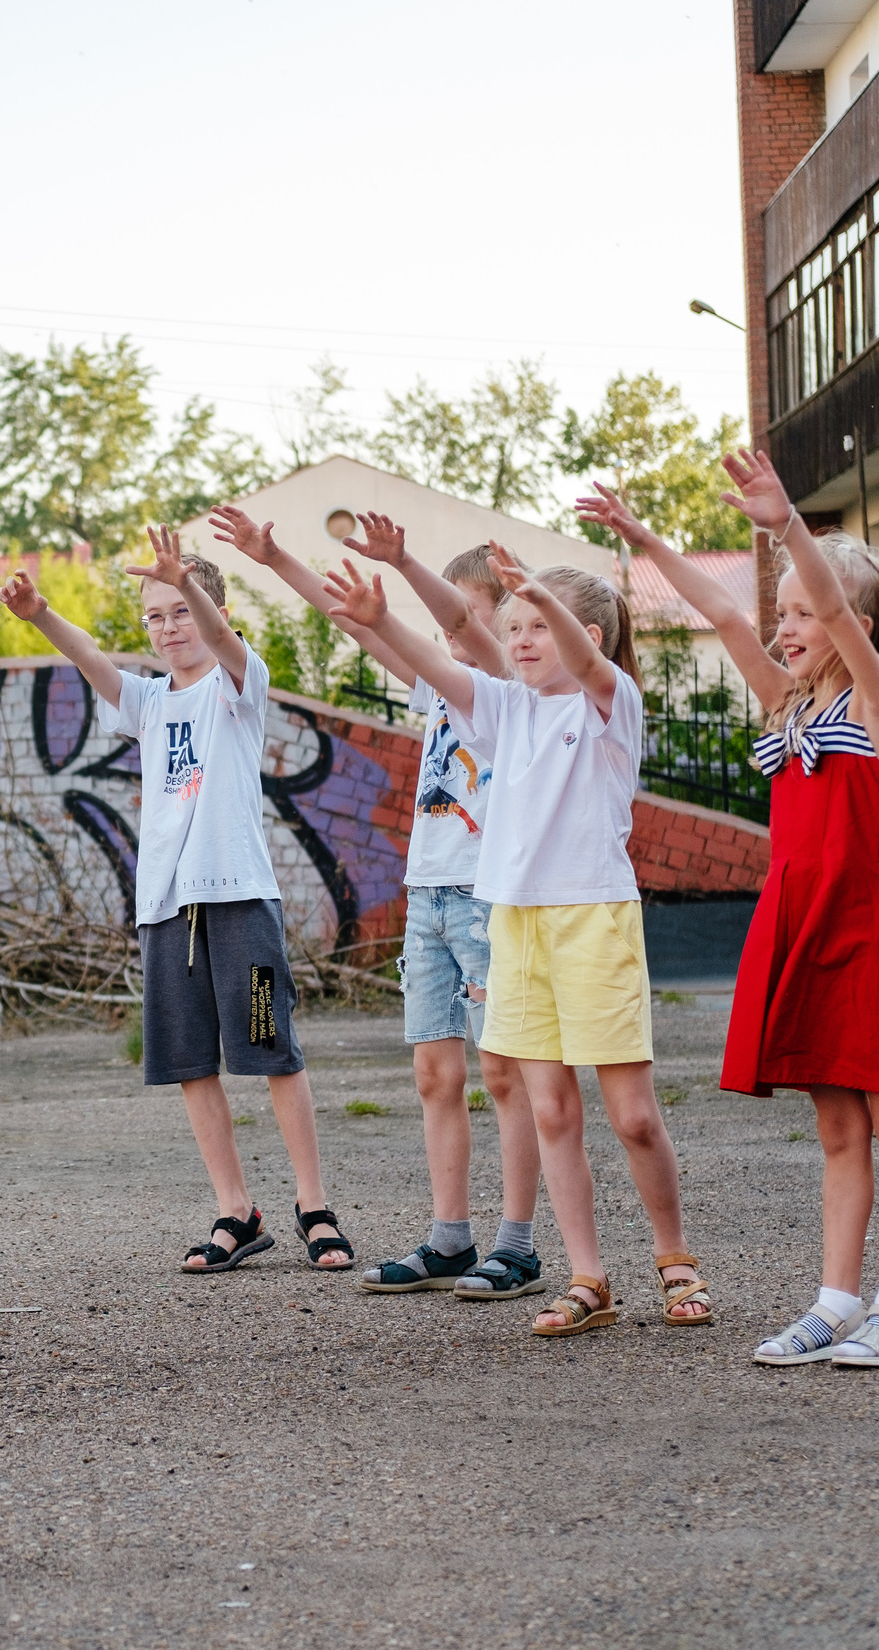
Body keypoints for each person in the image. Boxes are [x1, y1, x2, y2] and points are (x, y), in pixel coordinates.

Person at [579, 454, 879, 1368]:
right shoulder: (784, 706)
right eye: (785, 613)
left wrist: (789, 530)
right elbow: (725, 614)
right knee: (836, 1128)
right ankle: (836, 1302)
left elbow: (838, 609)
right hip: (796, 931)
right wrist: (642, 537)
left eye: (804, 613)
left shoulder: (878, 700)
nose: (786, 628)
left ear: (852, 624)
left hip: (859, 931)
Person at [325, 544, 715, 1336]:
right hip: (516, 922)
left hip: (594, 920)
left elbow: (581, 660)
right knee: (552, 1110)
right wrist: (389, 599)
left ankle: (676, 1261)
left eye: (540, 625)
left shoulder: (610, 704)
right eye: (517, 627)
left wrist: (536, 590)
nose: (525, 639)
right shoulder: (504, 707)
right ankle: (587, 1278)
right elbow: (444, 651)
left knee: (633, 1114)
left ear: (589, 635)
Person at [204, 506, 543, 1299]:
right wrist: (273, 553)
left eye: (466, 617)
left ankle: (518, 1243)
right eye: (443, 618)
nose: (448, 631)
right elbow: (351, 620)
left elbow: (455, 636)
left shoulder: (509, 691)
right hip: (426, 894)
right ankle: (450, 1237)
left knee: (506, 1071)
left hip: (490, 898)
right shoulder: (439, 682)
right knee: (435, 1071)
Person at [0, 525, 355, 1275]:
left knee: (273, 1052)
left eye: (180, 609)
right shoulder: (151, 701)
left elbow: (222, 635)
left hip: (240, 904)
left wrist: (186, 579)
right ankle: (236, 1209)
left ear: (211, 611)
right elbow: (93, 659)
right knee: (192, 1062)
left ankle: (313, 1205)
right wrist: (40, 615)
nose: (168, 626)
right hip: (166, 909)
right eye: (155, 614)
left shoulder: (237, 683)